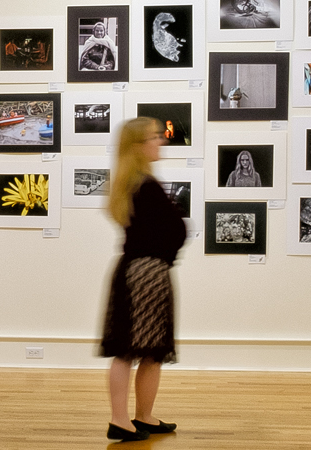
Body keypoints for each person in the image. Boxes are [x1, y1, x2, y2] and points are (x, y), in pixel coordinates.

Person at [100, 117, 186, 442]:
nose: (161, 141)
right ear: (138, 145)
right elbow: (172, 230)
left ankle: (139, 417)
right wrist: (168, 256)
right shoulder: (145, 185)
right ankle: (123, 420)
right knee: (137, 350)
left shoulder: (132, 183)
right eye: (155, 137)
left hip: (137, 270)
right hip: (148, 274)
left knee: (143, 350)